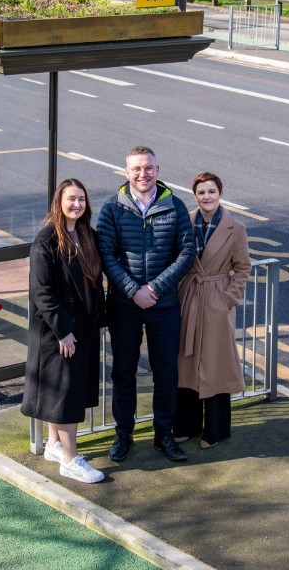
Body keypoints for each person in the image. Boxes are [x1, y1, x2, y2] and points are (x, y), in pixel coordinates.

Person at [97, 146, 195, 463]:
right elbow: (106, 257)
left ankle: (163, 436)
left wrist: (153, 288)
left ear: (158, 170)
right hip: (124, 306)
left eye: (149, 168)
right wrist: (132, 290)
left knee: (165, 373)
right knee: (123, 373)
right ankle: (123, 435)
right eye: (137, 168)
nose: (143, 174)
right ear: (126, 173)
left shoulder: (175, 207)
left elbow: (185, 255)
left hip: (163, 305)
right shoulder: (111, 209)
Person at [21, 179, 106, 484]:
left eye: (81, 199)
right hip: (58, 332)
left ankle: (55, 445)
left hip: (82, 327)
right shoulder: (46, 240)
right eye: (71, 199)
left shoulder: (87, 235)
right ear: (59, 202)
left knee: (65, 392)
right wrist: (63, 331)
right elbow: (42, 292)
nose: (76, 205)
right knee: (66, 394)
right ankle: (70, 459)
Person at [174, 172, 249, 449]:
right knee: (186, 361)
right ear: (195, 196)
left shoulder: (235, 228)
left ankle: (215, 429)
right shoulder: (185, 222)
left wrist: (228, 299)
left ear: (220, 193)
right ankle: (186, 425)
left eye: (211, 192)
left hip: (217, 299)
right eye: (201, 192)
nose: (207, 197)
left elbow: (242, 267)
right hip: (189, 297)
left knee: (215, 365)